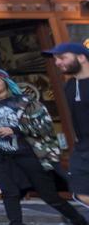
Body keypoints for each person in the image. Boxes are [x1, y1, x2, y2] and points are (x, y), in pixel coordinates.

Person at [0, 68, 87, 225]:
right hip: (2, 156)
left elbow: (45, 126)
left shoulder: (26, 102)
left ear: (6, 82)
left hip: (29, 154)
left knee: (48, 195)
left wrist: (15, 129)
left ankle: (78, 220)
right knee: (9, 193)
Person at [44, 41, 89, 206]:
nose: (57, 62)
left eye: (62, 58)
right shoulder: (69, 85)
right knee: (80, 191)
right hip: (83, 148)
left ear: (82, 58)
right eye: (56, 59)